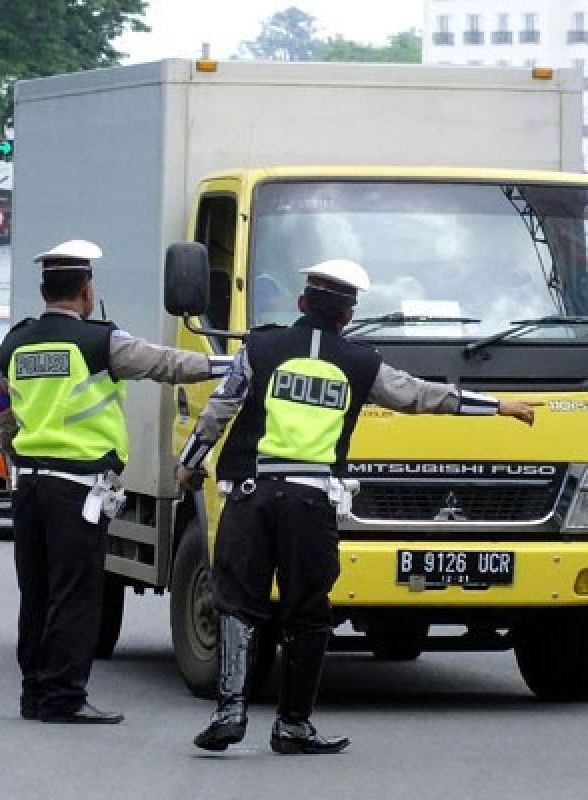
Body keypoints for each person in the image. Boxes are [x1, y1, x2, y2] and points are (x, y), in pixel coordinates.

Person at [176, 258, 535, 755]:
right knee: (308, 613)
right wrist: (496, 405)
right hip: (311, 502)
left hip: (251, 497)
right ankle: (293, 725)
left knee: (237, 603)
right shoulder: (362, 363)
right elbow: (418, 396)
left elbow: (220, 407)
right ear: (348, 315)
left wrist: (189, 462)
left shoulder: (258, 347)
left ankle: (230, 711)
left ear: (302, 304)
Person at [0, 239, 231, 724]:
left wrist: (11, 467)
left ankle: (35, 693)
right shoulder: (98, 342)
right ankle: (64, 697)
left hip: (28, 485)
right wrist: (226, 364)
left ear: (45, 290)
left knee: (36, 590)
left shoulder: (14, 343)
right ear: (86, 290)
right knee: (76, 593)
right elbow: (164, 363)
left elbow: (7, 415)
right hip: (76, 487)